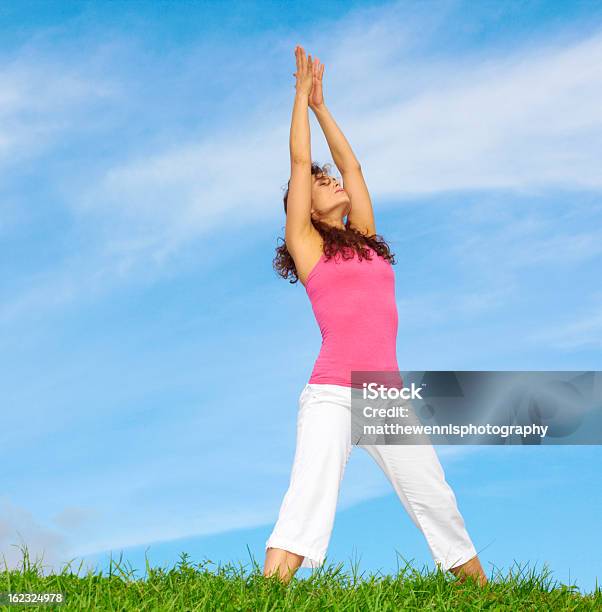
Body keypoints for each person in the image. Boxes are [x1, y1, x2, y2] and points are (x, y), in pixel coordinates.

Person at [263, 45, 488, 587]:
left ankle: (484, 594)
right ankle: (268, 596)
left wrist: (322, 106)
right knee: (307, 503)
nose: (332, 181)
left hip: (385, 395)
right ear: (306, 206)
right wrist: (298, 97)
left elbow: (353, 165)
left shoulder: (365, 241)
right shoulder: (308, 246)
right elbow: (299, 163)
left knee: (435, 498)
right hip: (333, 393)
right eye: (321, 184)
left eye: (328, 178)